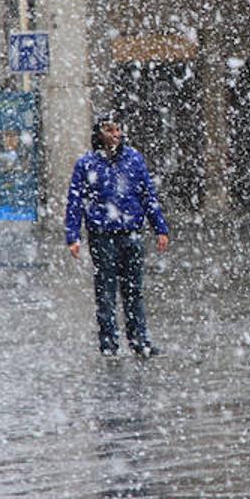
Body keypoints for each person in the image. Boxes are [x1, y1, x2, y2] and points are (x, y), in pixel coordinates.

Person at [65, 115, 170, 357]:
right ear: (99, 134)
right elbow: (75, 202)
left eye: (118, 129)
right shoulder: (87, 164)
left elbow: (148, 195)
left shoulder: (133, 159)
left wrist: (160, 227)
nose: (115, 134)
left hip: (131, 233)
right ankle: (109, 343)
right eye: (109, 129)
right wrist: (73, 235)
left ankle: (139, 340)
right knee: (106, 292)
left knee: (134, 291)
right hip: (102, 235)